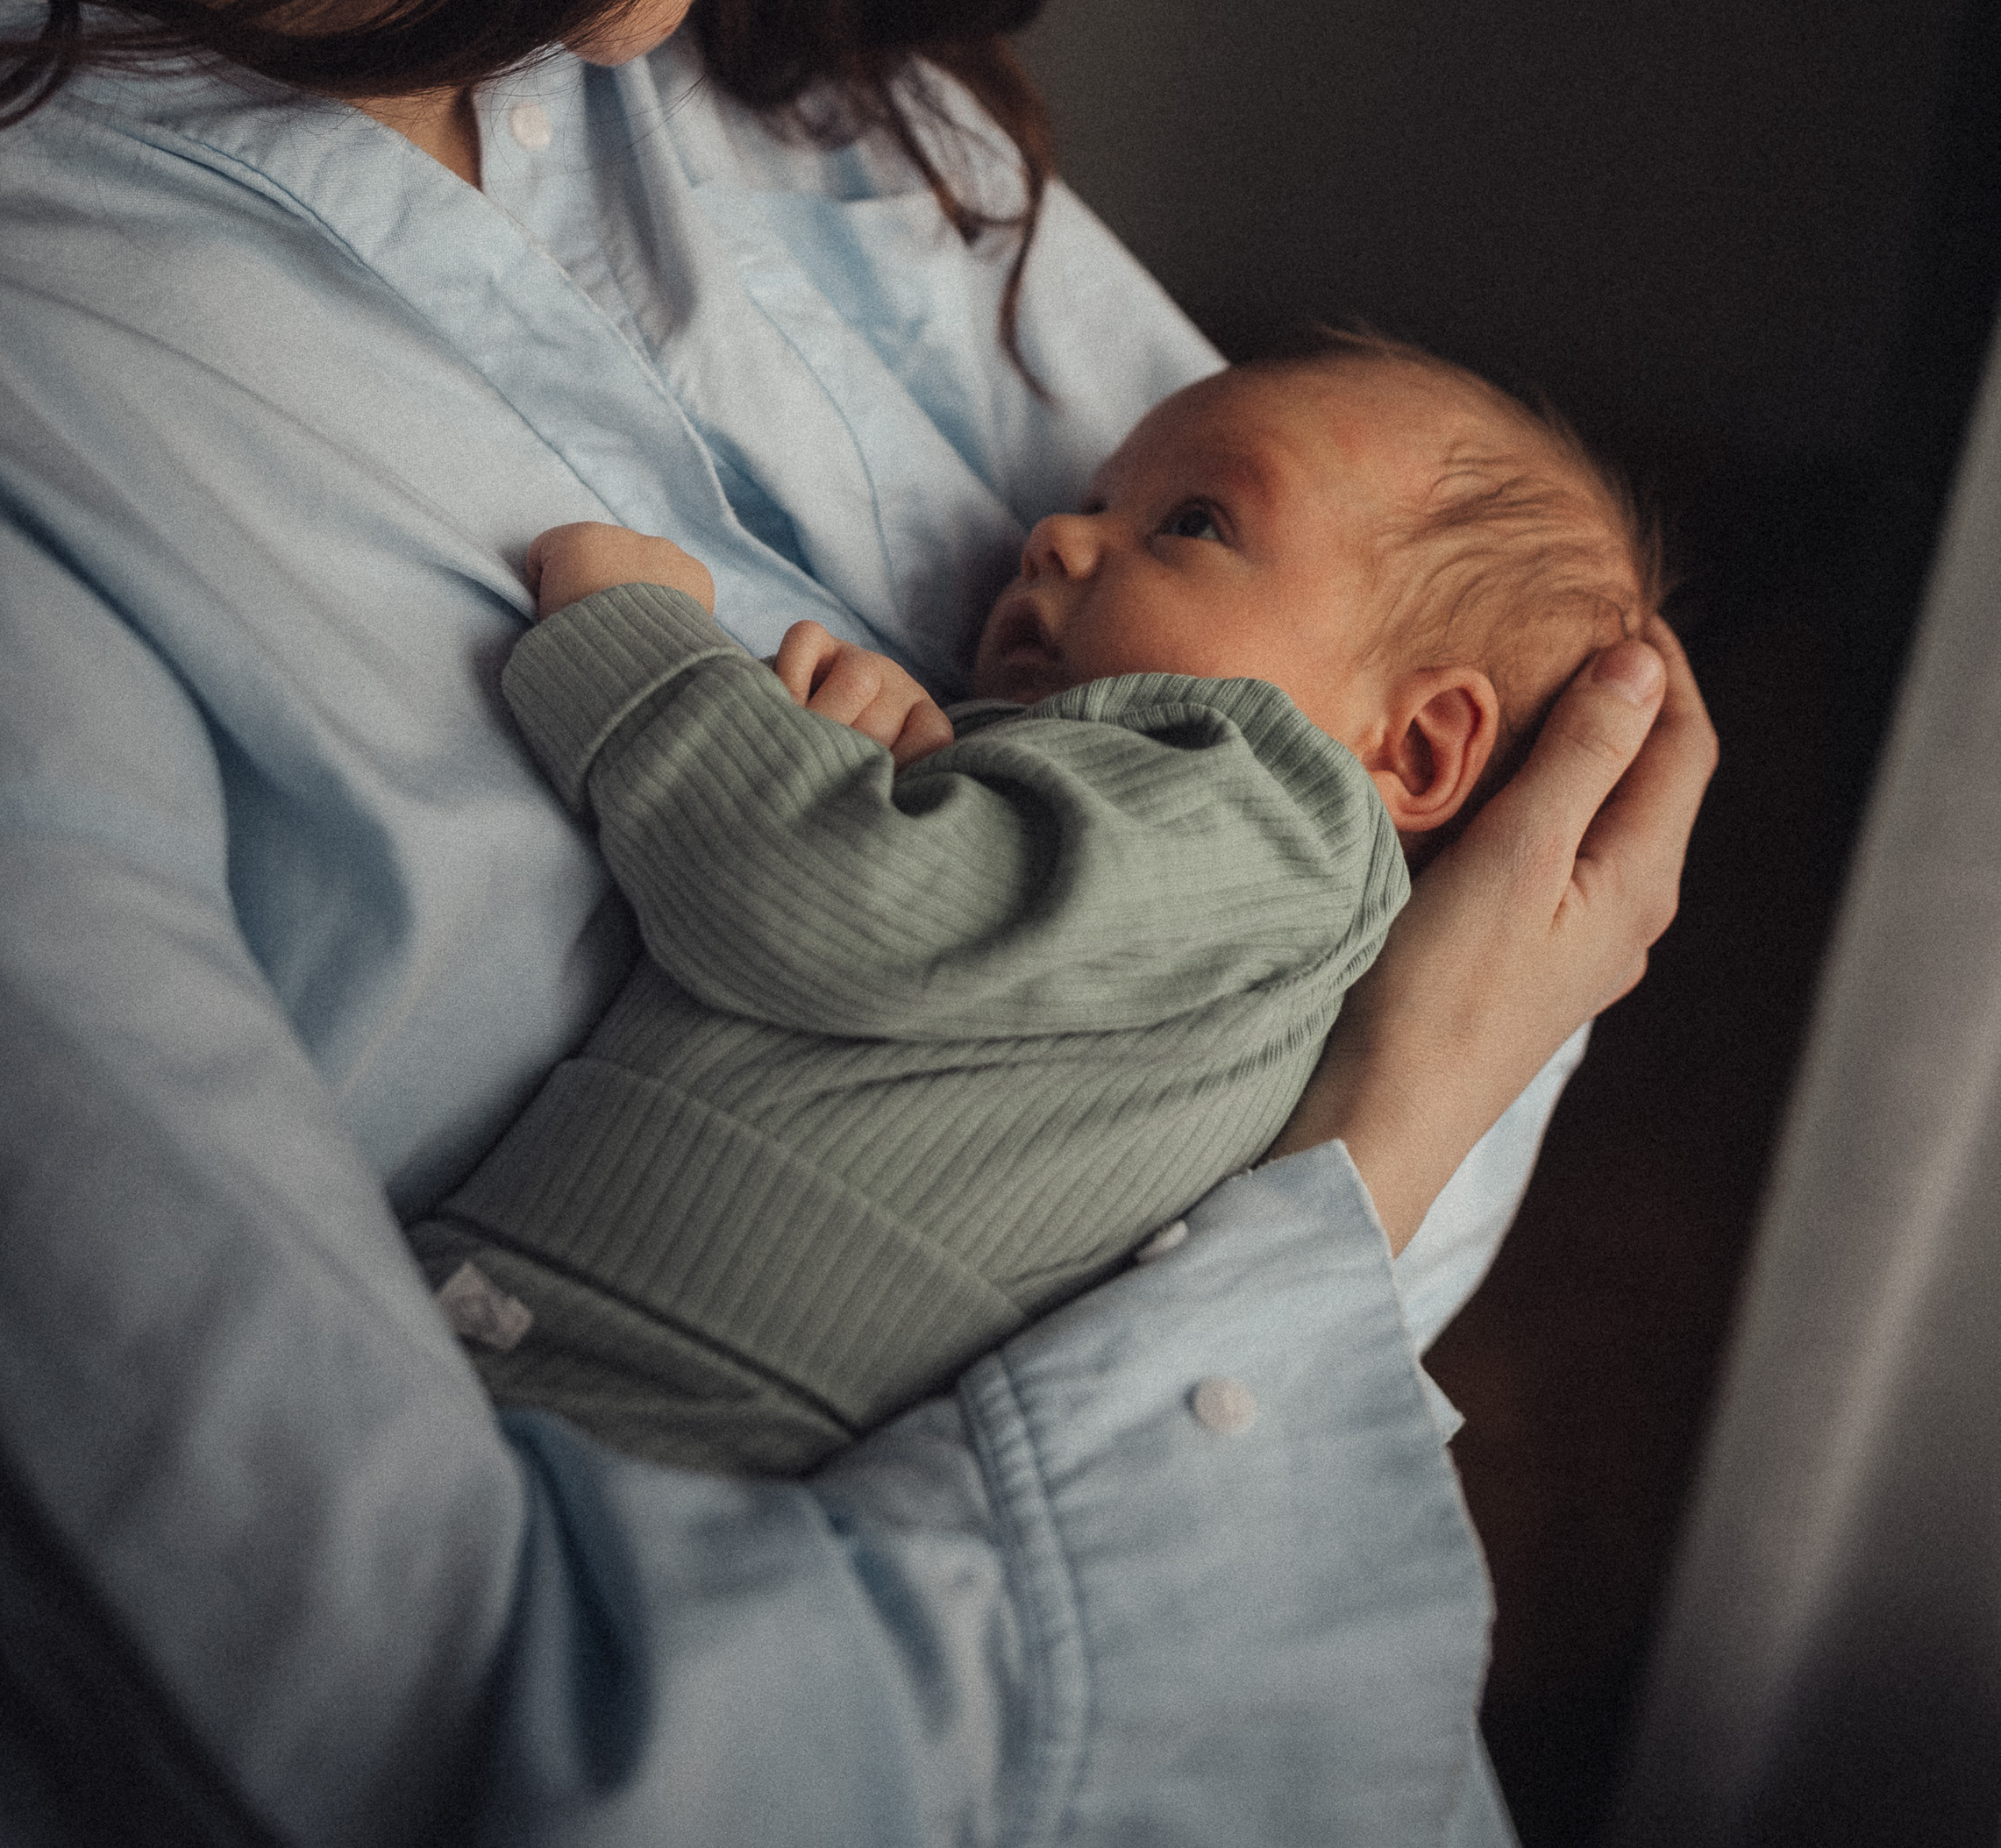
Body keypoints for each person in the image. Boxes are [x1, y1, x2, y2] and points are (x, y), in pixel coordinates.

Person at [0, 0, 1714, 1848]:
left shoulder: (844, 143)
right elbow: (448, 1725)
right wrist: (1345, 1156)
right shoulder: (35, 367)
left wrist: (1368, 1141)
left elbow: (1505, 811)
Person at [412, 340, 1666, 1474]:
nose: (1055, 539)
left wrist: (645, 654)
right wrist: (905, 774)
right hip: (629, 1367)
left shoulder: (1282, 808)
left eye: (1189, 521)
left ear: (1414, 748)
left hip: (666, 1386)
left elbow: (840, 905)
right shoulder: (1179, 864)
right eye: (1089, 503)